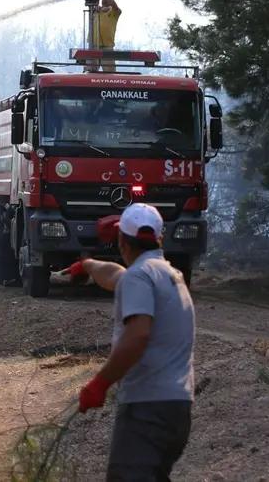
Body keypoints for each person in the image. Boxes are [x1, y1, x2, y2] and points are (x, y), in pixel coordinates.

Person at [64, 203, 195, 481]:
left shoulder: (139, 277)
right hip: (176, 410)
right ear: (160, 238)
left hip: (148, 410)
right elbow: (116, 276)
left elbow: (138, 334)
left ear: (121, 240)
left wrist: (100, 383)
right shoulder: (168, 275)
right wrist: (86, 265)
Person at [92, 0, 122, 72]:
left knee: (110, 74)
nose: (104, 0)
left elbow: (114, 5)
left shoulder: (115, 12)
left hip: (107, 47)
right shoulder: (95, 11)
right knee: (90, 72)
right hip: (93, 46)